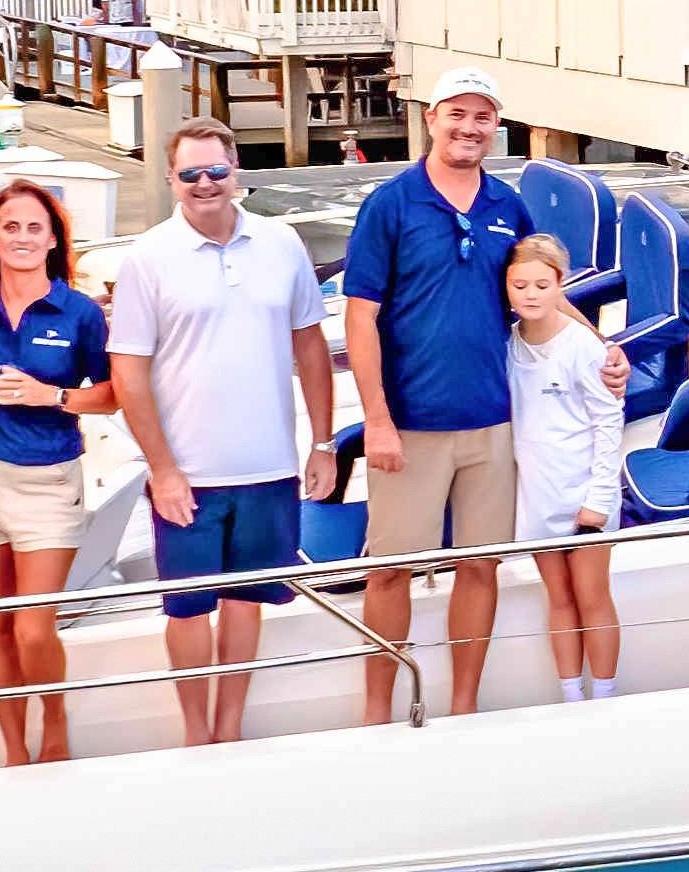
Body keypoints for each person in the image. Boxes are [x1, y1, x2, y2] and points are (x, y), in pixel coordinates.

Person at [109, 117, 339, 744]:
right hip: (189, 476)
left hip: (269, 467)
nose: (205, 183)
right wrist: (162, 469)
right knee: (187, 609)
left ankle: (228, 730)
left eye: (216, 171)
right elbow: (128, 374)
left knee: (245, 604)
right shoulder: (148, 258)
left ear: (236, 172)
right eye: (190, 174)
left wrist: (321, 443)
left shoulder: (282, 242)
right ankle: (194, 733)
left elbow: (310, 348)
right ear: (170, 178)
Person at [336, 75, 534, 724]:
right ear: (430, 118)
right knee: (389, 571)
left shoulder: (509, 206)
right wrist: (378, 421)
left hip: (491, 424)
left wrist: (601, 354)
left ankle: (464, 707)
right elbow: (359, 318)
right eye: (457, 114)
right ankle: (374, 713)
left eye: (482, 117)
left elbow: (541, 299)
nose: (468, 128)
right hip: (409, 427)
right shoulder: (390, 206)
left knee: (480, 568)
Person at [0, 176, 111, 765]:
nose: (21, 237)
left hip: (48, 479)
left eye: (33, 228)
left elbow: (114, 393)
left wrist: (53, 397)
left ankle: (56, 725)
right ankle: (15, 752)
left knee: (34, 628)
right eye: (9, 226)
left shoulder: (79, 312)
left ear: (52, 240)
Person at [503, 231, 629, 697]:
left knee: (592, 597)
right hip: (539, 495)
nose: (531, 294)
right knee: (558, 599)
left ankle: (605, 696)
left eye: (542, 285)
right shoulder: (510, 346)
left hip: (584, 495)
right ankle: (571, 696)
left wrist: (597, 498)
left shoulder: (582, 346)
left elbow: (608, 420)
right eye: (520, 286)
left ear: (560, 285)